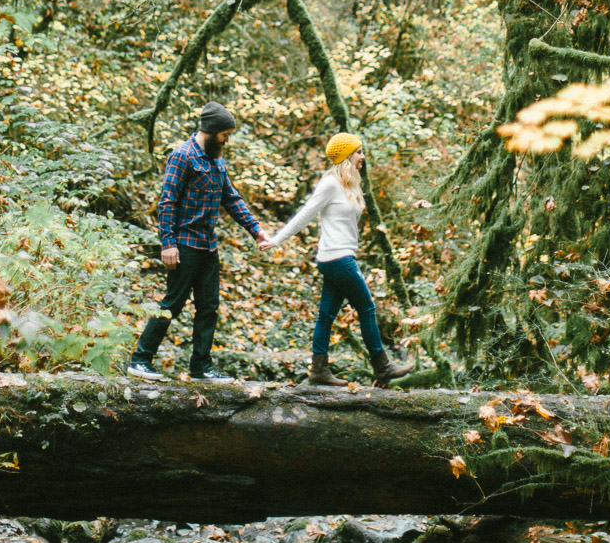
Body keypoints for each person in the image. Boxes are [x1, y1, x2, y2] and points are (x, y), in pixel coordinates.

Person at [128, 101, 270, 382]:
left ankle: (201, 368)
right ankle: (140, 360)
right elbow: (167, 201)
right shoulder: (182, 156)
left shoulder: (216, 158)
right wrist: (167, 243)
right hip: (184, 244)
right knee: (172, 304)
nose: (227, 139)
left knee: (209, 306)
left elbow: (231, 198)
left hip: (208, 245)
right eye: (225, 134)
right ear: (213, 129)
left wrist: (256, 230)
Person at [260, 133, 411, 387]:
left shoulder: (349, 184)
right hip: (337, 258)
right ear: (346, 156)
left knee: (326, 314)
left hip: (338, 257)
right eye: (358, 152)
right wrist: (276, 239)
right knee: (367, 307)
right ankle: (382, 367)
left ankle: (318, 369)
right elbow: (307, 213)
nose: (363, 157)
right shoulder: (330, 183)